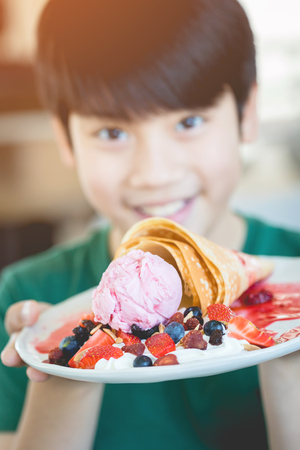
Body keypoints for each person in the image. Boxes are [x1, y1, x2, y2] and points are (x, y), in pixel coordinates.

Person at [1, 0, 300, 449]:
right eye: (113, 133)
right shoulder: (25, 303)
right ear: (66, 138)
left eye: (189, 121)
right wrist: (63, 369)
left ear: (247, 113)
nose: (155, 173)